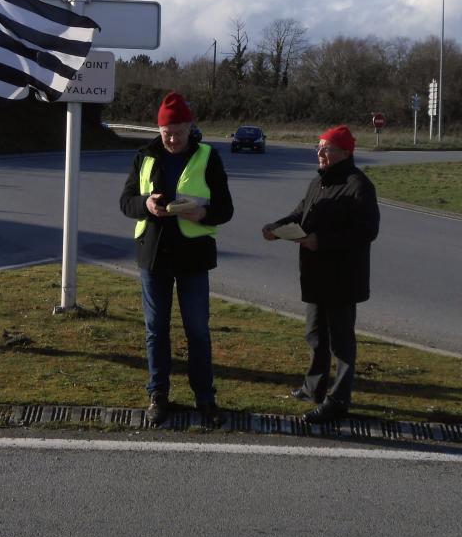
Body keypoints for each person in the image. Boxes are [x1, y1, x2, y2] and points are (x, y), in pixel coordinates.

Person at [119, 91, 234, 427]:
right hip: (153, 255)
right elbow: (126, 201)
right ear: (159, 128)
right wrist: (147, 206)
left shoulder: (208, 157)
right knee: (156, 330)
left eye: (178, 132)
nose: (172, 138)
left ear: (190, 127)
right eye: (167, 132)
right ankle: (159, 395)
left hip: (193, 258)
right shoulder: (144, 155)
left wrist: (204, 213)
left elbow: (226, 209)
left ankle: (205, 398)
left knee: (197, 330)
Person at [261, 125, 379, 423]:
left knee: (341, 343)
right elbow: (300, 214)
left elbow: (366, 231)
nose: (320, 153)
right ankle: (314, 387)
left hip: (343, 278)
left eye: (326, 149)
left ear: (345, 152)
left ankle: (338, 401)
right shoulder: (319, 182)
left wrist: (321, 241)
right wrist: (276, 227)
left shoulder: (359, 185)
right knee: (315, 335)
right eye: (319, 147)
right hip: (315, 275)